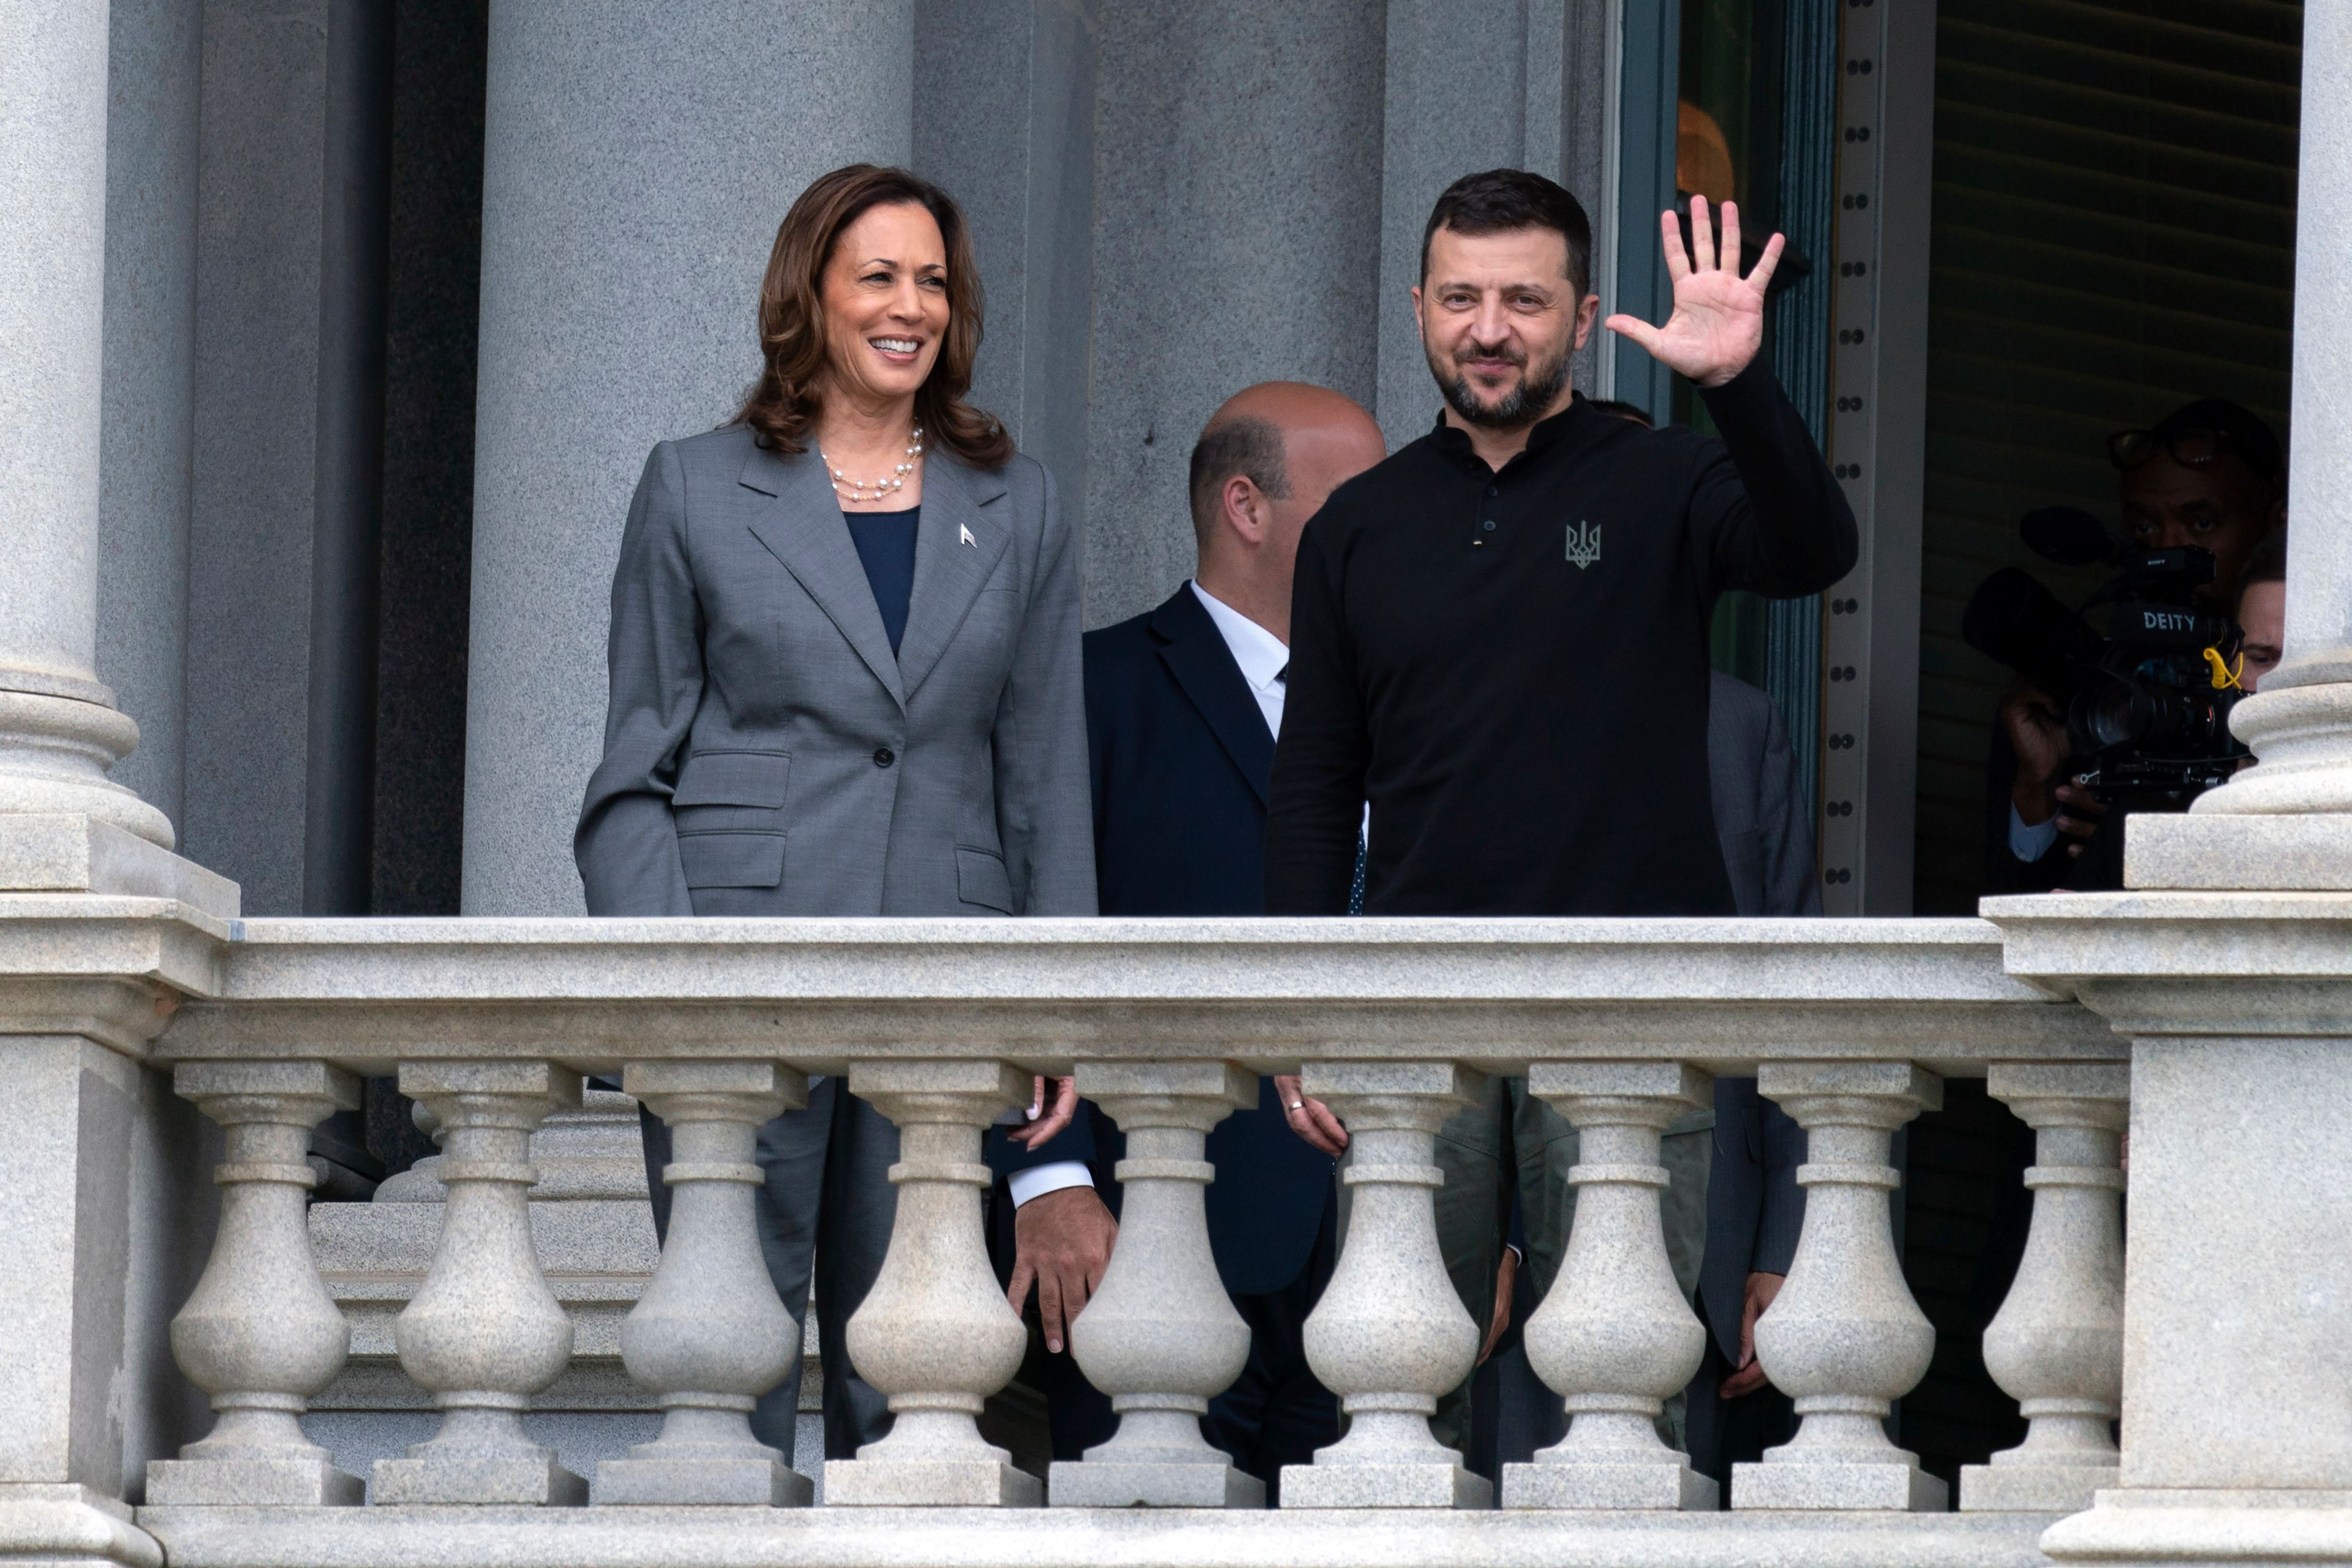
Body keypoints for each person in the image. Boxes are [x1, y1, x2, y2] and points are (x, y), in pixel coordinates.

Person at [1266, 166, 1856, 1456]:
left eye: (1525, 299)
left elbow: (1814, 550)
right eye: (1464, 297)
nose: (1491, 328)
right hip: (1423, 1011)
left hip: (1633, 1002)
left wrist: (1736, 383)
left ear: (1582, 318)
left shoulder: (1662, 479)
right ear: (1419, 305)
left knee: (1622, 1387)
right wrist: (1299, 1000)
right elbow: (1315, 778)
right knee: (1408, 1383)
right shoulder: (1358, 527)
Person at [573, 164, 1096, 1470]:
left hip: (945, 970)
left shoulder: (1018, 503)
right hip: (740, 966)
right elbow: (633, 770)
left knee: (913, 1376)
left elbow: (1044, 773)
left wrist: (1061, 996)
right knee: (726, 1360)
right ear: (811, 292)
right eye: (879, 275)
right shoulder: (694, 485)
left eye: (933, 279)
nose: (910, 304)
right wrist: (672, 978)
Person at [1016, 382, 1387, 1494]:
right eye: (1357, 506)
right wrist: (1052, 1184)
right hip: (1157, 1237)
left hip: (1384, 1242)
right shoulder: (1096, 691)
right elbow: (1032, 948)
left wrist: (1496, 1229)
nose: (1387, 535)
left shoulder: (1413, 707)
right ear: (1247, 506)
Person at [1991, 399, 2286, 894]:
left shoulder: (2291, 678)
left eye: (2203, 524)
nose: (2169, 545)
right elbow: (2025, 929)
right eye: (2145, 527)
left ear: (2276, 520)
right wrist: (2037, 790)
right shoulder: (2100, 689)